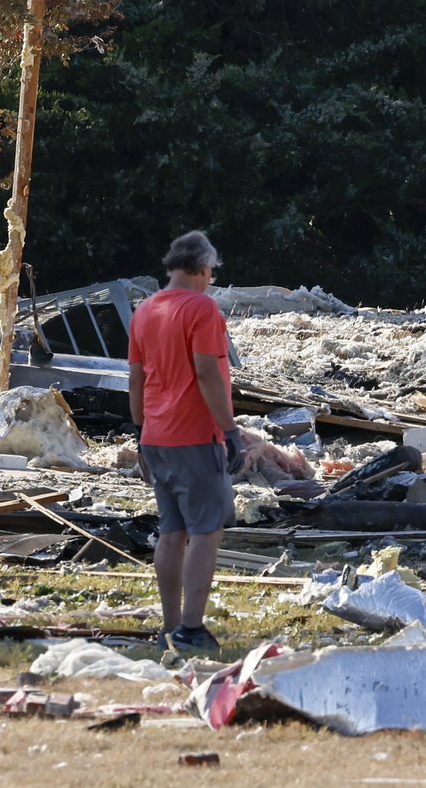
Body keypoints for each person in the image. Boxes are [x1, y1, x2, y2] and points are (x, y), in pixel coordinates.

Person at [127, 230, 246, 653]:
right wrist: (230, 431)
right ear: (201, 268)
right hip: (194, 435)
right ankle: (192, 631)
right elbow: (207, 372)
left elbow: (136, 378)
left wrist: (140, 433)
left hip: (156, 436)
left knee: (172, 532)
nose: (211, 278)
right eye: (211, 271)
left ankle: (170, 627)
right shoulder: (201, 307)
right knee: (206, 531)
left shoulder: (145, 310)